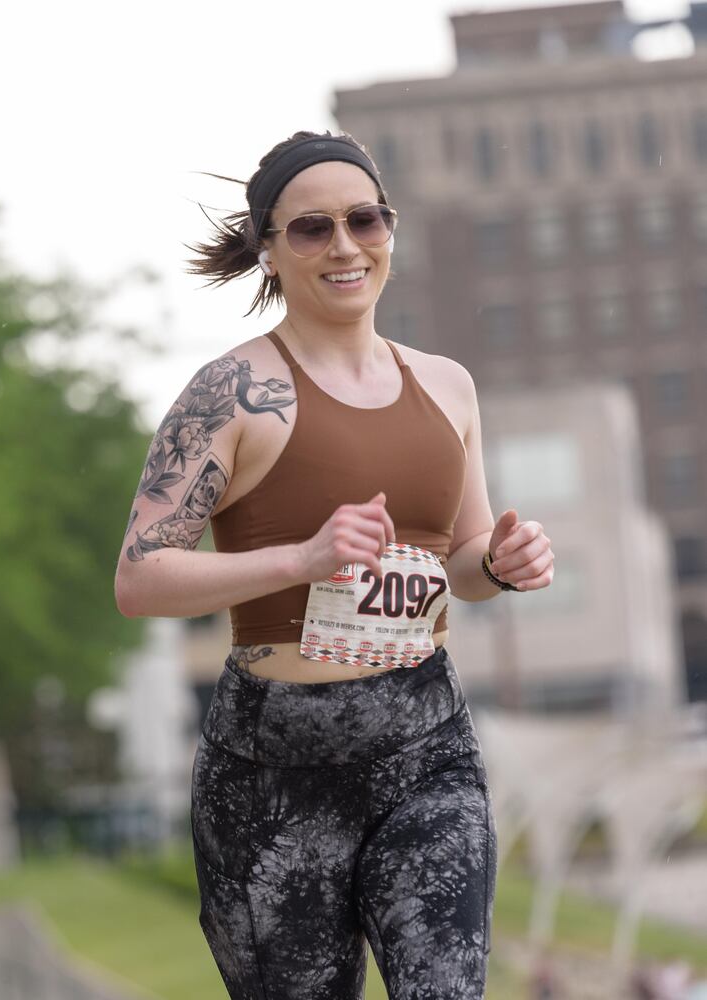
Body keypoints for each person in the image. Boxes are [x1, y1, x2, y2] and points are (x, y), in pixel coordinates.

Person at [115, 130, 555, 999]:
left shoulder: (448, 385)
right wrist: (303, 558)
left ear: (390, 230)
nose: (345, 246)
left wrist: (498, 565)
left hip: (426, 744)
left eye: (365, 220)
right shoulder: (231, 393)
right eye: (313, 229)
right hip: (274, 772)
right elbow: (140, 577)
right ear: (269, 252)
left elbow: (460, 560)